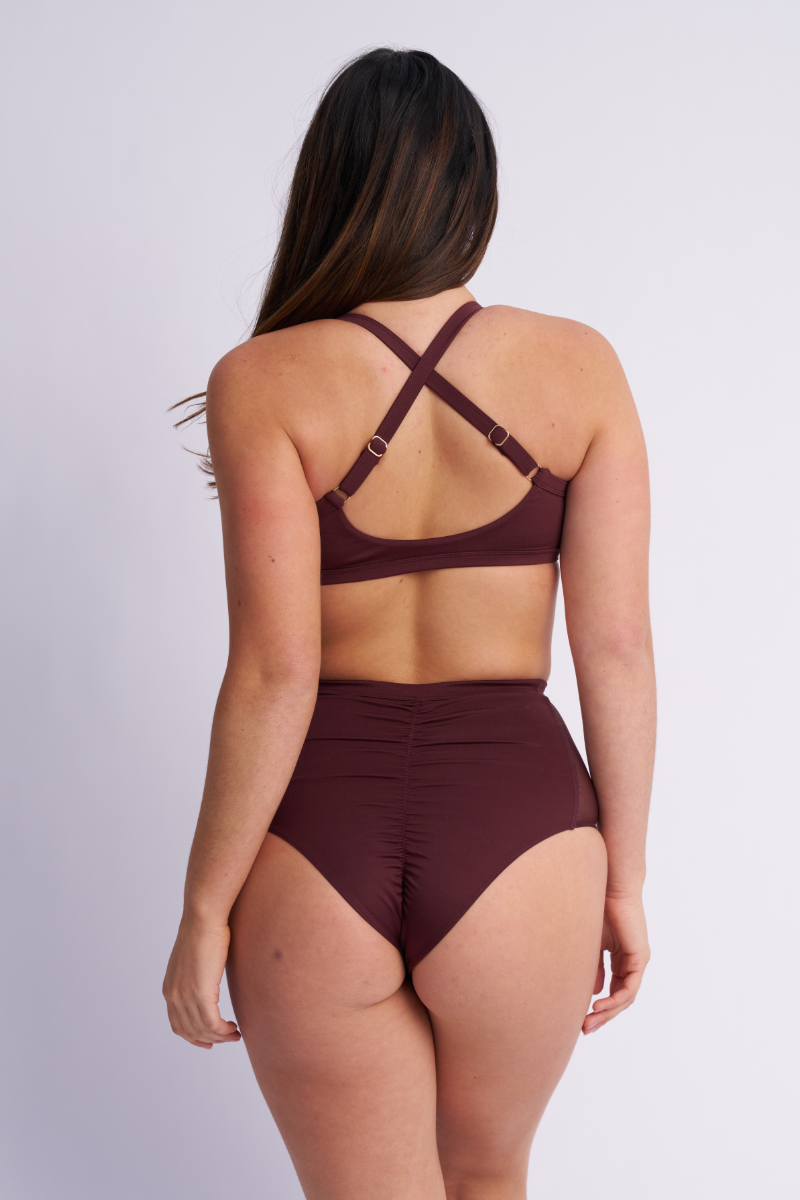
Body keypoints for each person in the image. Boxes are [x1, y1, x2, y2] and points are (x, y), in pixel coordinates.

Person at [162, 47, 655, 1200]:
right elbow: (616, 649)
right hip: (519, 828)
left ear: (329, 188)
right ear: (473, 195)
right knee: (485, 1178)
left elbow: (274, 672)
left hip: (316, 833)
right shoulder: (577, 367)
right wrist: (622, 879)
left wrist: (202, 910)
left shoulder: (262, 380)